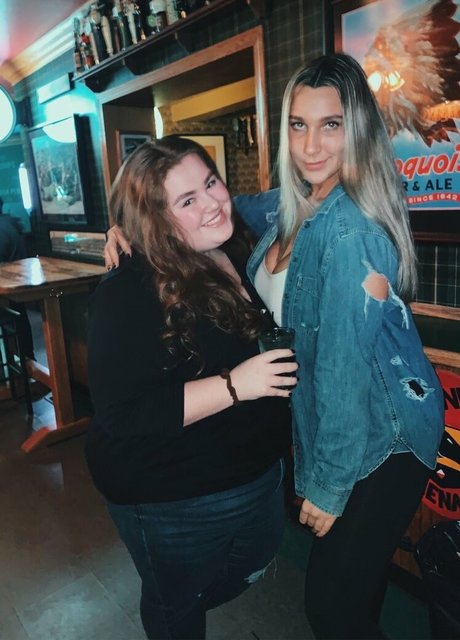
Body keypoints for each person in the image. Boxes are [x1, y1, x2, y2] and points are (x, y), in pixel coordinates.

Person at [104, 54, 445, 639]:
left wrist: (329, 485)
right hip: (346, 424)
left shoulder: (349, 231)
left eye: (331, 124)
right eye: (298, 124)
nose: (311, 145)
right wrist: (134, 224)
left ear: (358, 128)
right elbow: (219, 207)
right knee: (353, 595)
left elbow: (341, 371)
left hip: (381, 432)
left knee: (332, 608)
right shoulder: (291, 204)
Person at [85, 135, 297, 640]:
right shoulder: (127, 289)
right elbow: (122, 413)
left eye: (211, 183)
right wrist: (235, 385)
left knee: (246, 566)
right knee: (176, 605)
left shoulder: (233, 244)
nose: (212, 203)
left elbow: (304, 197)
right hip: (171, 495)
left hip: (257, 476)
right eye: (186, 200)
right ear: (155, 220)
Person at [0, 197, 35, 359]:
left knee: (16, 324)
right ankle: (26, 358)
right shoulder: (9, 224)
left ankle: (23, 360)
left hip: (8, 291)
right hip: (16, 289)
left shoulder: (2, 229)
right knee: (20, 320)